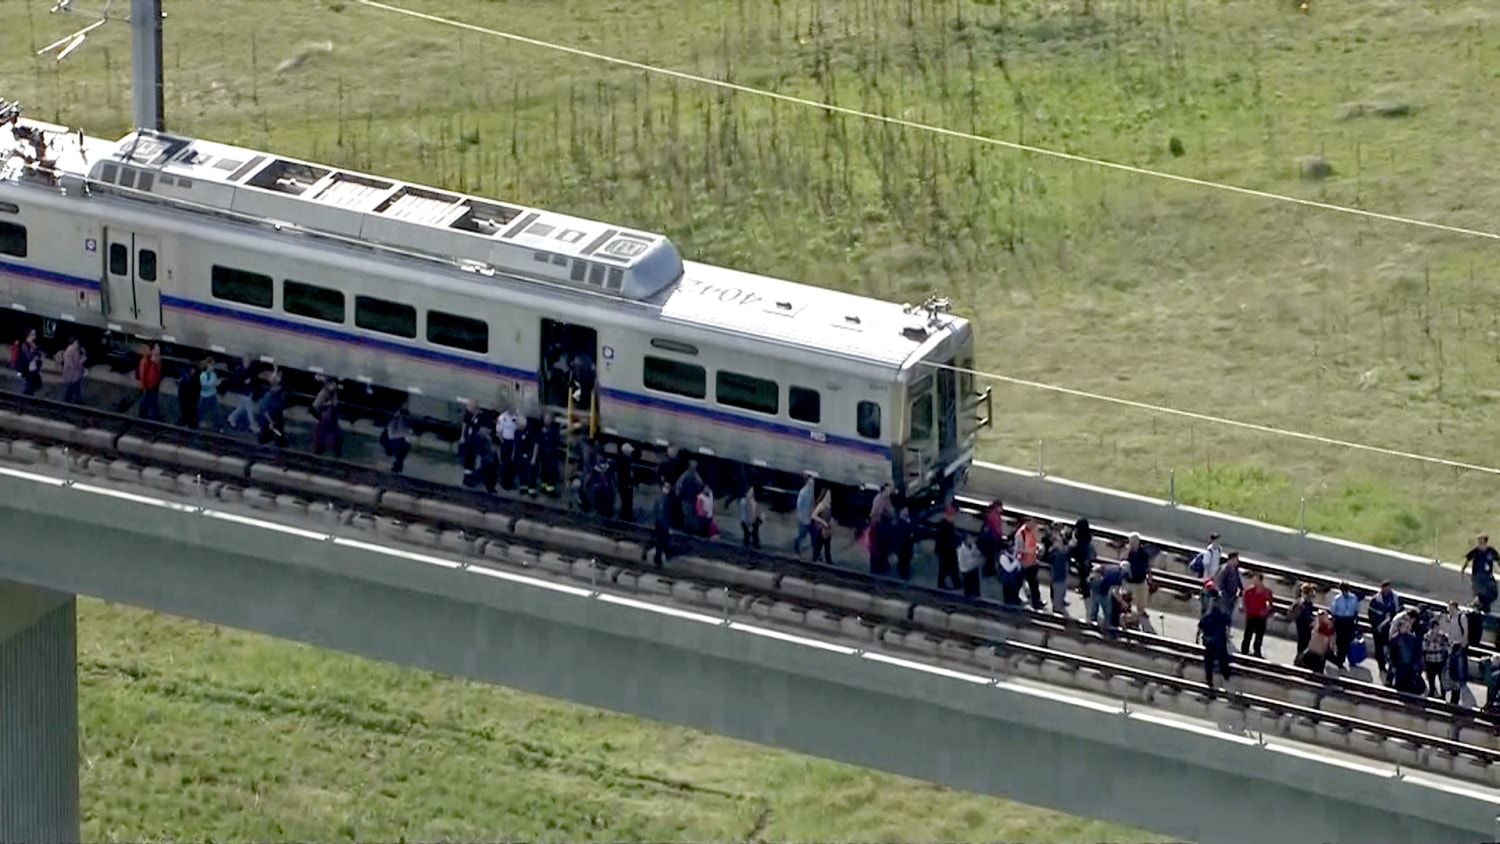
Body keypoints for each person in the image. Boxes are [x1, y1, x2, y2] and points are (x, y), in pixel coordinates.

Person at [1197, 583, 1233, 691]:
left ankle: (1213, 680)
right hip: (1215, 641)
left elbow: (1201, 625)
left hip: (1214, 641)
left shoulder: (1212, 613)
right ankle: (1222, 677)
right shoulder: (1215, 613)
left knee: (1214, 660)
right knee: (1219, 659)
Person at [1367, 581, 1402, 677]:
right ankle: (1381, 666)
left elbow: (1400, 612)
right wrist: (1376, 626)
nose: (1386, 589)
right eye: (1384, 587)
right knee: (1379, 648)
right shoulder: (1375, 600)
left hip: (1391, 628)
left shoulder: (1396, 599)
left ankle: (1391, 666)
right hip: (1379, 629)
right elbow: (1371, 614)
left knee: (1392, 648)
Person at [1463, 534, 1499, 615]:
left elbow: (1497, 560)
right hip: (1477, 577)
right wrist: (1463, 570)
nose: (1479, 543)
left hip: (1487, 576)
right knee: (1481, 592)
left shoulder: (1491, 551)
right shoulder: (1475, 551)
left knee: (1494, 593)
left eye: (1481, 541)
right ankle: (1480, 604)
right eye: (1479, 541)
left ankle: (1480, 603)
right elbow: (1467, 559)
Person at [1327, 581, 1361, 668]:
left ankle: (1346, 659)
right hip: (1340, 621)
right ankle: (1340, 660)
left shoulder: (1353, 598)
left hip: (1350, 621)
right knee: (1340, 642)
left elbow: (1356, 610)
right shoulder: (1337, 599)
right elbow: (1333, 611)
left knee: (1348, 641)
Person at [1240, 573, 1274, 658]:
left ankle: (1257, 650)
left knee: (1259, 635)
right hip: (1251, 615)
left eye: (1256, 579)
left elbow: (1270, 604)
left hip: (1261, 617)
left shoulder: (1267, 592)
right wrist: (1247, 611)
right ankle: (1244, 649)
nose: (1254, 581)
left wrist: (1266, 611)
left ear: (1260, 580)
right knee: (1248, 634)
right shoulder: (1248, 591)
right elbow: (1244, 602)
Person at [1015, 517, 1042, 609]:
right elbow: (1018, 549)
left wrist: (1037, 548)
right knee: (1020, 583)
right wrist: (1029, 551)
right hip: (1024, 563)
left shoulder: (1032, 530)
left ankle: (1036, 602)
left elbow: (1034, 543)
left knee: (1034, 584)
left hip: (1032, 561)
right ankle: (1014, 598)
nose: (1034, 525)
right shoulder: (1020, 534)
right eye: (1032, 523)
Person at [1046, 524, 1072, 614]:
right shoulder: (1056, 552)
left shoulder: (1059, 548)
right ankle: (1057, 609)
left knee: (1061, 590)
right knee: (1058, 591)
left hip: (1062, 573)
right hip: (1058, 576)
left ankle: (1060, 602)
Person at [934, 505, 960, 591]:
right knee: (946, 568)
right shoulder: (946, 526)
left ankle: (956, 583)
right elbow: (948, 539)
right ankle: (944, 583)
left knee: (950, 568)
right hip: (946, 552)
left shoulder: (946, 525)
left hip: (947, 551)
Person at [1123, 532, 1151, 611]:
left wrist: (1150, 577)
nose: (1133, 543)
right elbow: (1123, 562)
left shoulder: (1143, 553)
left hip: (1141, 580)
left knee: (1141, 600)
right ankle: (1127, 610)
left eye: (1135, 541)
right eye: (1131, 541)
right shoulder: (1128, 553)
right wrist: (1129, 549)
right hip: (1130, 581)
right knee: (1127, 598)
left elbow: (1147, 566)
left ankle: (1141, 611)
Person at [1423, 624, 1451, 699]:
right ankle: (1431, 693)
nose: (1437, 630)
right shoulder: (1427, 636)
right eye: (1435, 628)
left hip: (1440, 661)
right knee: (1431, 679)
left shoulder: (1442, 637)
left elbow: (1447, 647)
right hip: (1430, 661)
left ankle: (1443, 695)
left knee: (1441, 679)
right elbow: (1425, 647)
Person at [382, 406, 413, 474]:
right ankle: (402, 415)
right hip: (402, 437)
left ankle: (398, 415)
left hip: (396, 437)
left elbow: (384, 441)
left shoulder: (394, 453)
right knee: (396, 430)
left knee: (392, 431)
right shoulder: (400, 456)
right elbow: (407, 446)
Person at [648, 481, 672, 567]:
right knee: (662, 541)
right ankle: (659, 558)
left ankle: (659, 558)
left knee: (660, 541)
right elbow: (662, 512)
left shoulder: (659, 497)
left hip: (659, 523)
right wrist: (665, 524)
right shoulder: (664, 499)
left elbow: (655, 509)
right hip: (662, 524)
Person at [136, 342, 162, 420]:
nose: (159, 350)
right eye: (157, 348)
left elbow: (159, 371)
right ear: (152, 350)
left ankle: (146, 414)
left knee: (150, 400)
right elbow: (143, 374)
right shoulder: (146, 360)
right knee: (151, 401)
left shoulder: (157, 359)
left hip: (155, 383)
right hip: (149, 385)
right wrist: (144, 385)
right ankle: (153, 417)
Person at [1291, 582, 1317, 656]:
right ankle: (1300, 657)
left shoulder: (1300, 602)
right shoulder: (1305, 603)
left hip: (1302, 623)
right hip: (1304, 623)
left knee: (1302, 641)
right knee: (1303, 641)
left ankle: (1300, 657)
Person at [793, 474, 816, 557]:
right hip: (804, 519)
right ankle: (796, 544)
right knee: (802, 535)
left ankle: (815, 552)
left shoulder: (810, 490)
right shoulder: (803, 492)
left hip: (810, 518)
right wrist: (800, 516)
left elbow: (812, 502)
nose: (812, 483)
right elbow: (799, 505)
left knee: (814, 535)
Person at [14, 328, 42, 396]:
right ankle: (27, 394)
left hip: (33, 368)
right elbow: (28, 357)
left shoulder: (34, 345)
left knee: (34, 383)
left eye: (34, 334)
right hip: (26, 368)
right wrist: (35, 355)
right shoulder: (25, 345)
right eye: (32, 334)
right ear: (28, 336)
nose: (34, 336)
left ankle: (29, 393)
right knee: (30, 382)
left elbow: (38, 355)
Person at [59, 336, 86, 403]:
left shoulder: (74, 350)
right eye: (76, 342)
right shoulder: (71, 351)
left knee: (71, 389)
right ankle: (76, 401)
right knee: (73, 388)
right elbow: (73, 363)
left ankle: (69, 401)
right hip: (72, 374)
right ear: (73, 342)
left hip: (73, 374)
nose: (78, 344)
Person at [615, 444, 636, 521]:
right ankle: (625, 516)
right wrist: (628, 483)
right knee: (626, 501)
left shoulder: (625, 460)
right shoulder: (623, 462)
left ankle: (626, 516)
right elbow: (623, 475)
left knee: (627, 501)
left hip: (626, 484)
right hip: (624, 485)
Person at [812, 488, 834, 564]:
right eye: (829, 496)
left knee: (827, 548)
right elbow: (814, 515)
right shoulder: (822, 505)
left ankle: (829, 562)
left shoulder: (829, 506)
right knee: (818, 547)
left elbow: (829, 517)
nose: (830, 497)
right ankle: (814, 562)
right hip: (821, 529)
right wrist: (823, 522)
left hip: (827, 530)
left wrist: (831, 522)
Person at [957, 534, 983, 598]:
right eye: (969, 538)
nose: (971, 539)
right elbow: (960, 561)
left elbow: (977, 552)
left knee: (976, 585)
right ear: (965, 540)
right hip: (966, 570)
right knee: (968, 586)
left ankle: (977, 596)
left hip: (974, 567)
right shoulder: (961, 550)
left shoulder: (973, 545)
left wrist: (978, 555)